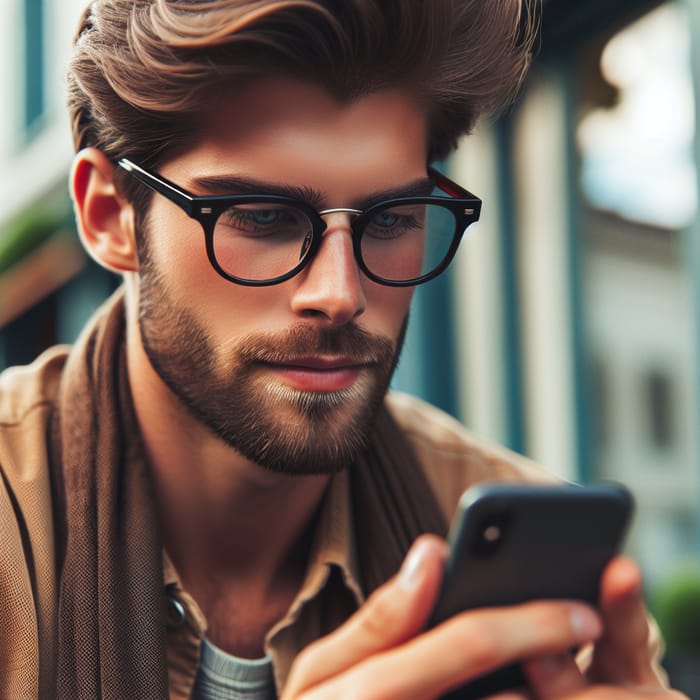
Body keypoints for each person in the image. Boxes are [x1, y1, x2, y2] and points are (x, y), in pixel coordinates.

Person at [0, 0, 686, 698]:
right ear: (110, 214)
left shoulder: (514, 552)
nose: (339, 294)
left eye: (391, 218)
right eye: (262, 217)